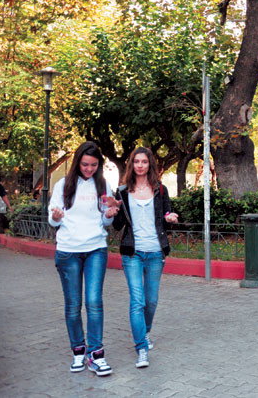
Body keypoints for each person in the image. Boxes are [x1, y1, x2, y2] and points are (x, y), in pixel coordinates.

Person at [48, 141, 118, 376]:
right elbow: (53, 220)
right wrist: (56, 216)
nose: (88, 169)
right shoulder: (62, 185)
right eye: (85, 164)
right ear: (78, 162)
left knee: (94, 302)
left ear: (99, 165)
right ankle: (79, 351)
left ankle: (96, 354)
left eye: (93, 165)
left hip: (96, 249)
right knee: (73, 305)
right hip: (68, 251)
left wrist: (109, 214)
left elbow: (106, 220)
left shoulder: (103, 184)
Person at [108, 147, 178, 369]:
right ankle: (141, 348)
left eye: (144, 162)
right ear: (131, 164)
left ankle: (145, 332)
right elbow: (118, 226)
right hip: (133, 253)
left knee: (151, 301)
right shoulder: (122, 192)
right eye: (136, 161)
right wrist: (114, 212)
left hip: (156, 252)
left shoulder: (160, 190)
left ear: (150, 165)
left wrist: (171, 218)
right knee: (137, 301)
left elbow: (166, 216)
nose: (140, 165)